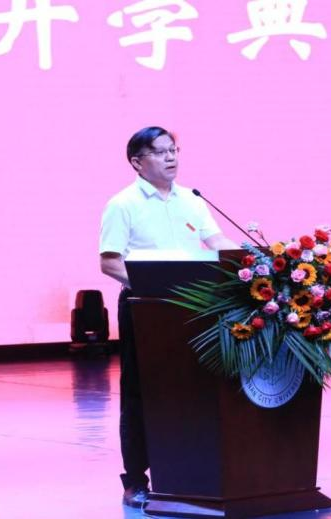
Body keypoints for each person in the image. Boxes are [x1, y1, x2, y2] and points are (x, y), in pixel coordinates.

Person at [99, 126, 236, 508]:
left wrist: (251, 262)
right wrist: (155, 285)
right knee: (141, 394)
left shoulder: (191, 199)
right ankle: (135, 480)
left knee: (193, 389)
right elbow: (109, 262)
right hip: (145, 309)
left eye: (174, 150)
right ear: (137, 162)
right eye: (160, 152)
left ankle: (191, 472)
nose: (171, 157)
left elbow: (216, 242)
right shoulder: (123, 204)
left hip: (194, 309)